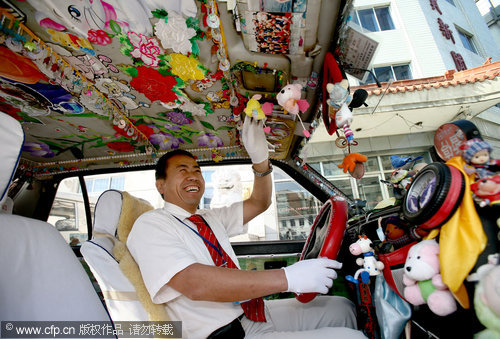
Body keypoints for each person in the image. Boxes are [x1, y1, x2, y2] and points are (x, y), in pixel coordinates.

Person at [127, 118, 366, 338]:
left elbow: (258, 203)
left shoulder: (208, 218)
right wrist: (288, 277)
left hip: (250, 313)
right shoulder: (151, 225)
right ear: (161, 185)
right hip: (222, 333)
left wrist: (260, 160)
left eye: (197, 171)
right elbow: (194, 283)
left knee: (342, 308)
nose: (193, 176)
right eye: (182, 171)